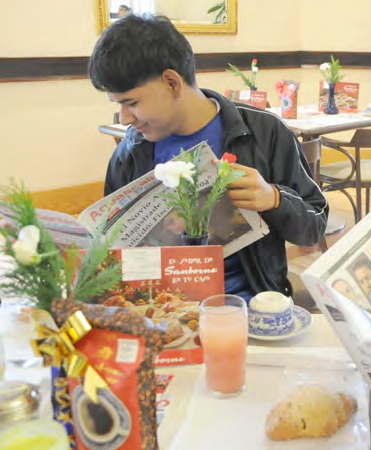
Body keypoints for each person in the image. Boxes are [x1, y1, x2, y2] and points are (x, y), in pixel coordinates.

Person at [89, 15, 328, 301]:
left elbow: (314, 228)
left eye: (132, 103)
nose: (125, 119)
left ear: (172, 83)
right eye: (119, 105)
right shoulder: (130, 152)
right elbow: (110, 247)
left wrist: (274, 199)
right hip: (159, 310)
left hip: (247, 306)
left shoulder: (264, 133)